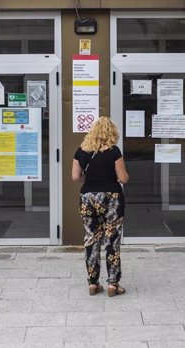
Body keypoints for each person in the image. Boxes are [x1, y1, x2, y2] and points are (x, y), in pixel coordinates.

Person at [72, 116, 129, 297]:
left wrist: (90, 180)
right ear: (112, 132)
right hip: (111, 198)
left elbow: (75, 177)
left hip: (88, 197)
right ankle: (113, 284)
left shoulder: (81, 151)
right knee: (112, 240)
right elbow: (123, 178)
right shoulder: (114, 152)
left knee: (91, 239)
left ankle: (93, 283)